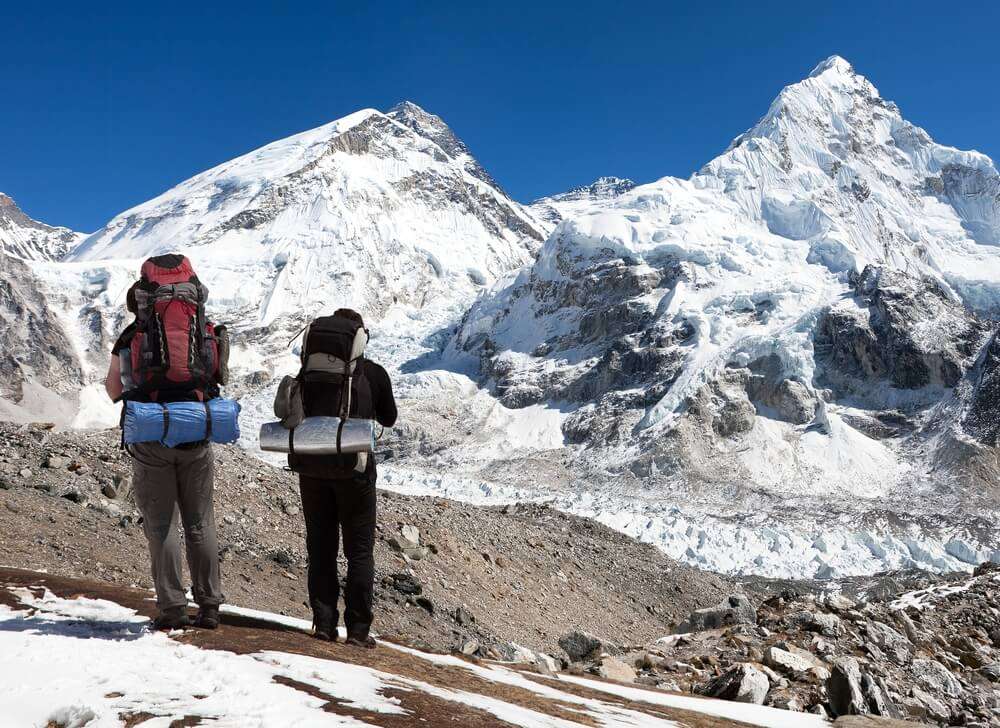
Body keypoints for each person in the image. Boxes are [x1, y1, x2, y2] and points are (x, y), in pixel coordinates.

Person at [105, 254, 226, 631]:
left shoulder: (132, 336)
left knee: (161, 526)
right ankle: (209, 607)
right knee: (200, 522)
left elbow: (112, 390)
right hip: (196, 433)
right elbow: (219, 376)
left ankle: (173, 609)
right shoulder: (205, 330)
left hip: (151, 435)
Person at [285, 308, 397, 647]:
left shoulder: (308, 373)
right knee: (359, 552)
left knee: (320, 547)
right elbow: (389, 418)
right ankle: (359, 631)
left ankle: (323, 623)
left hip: (312, 469)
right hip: (355, 472)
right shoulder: (373, 373)